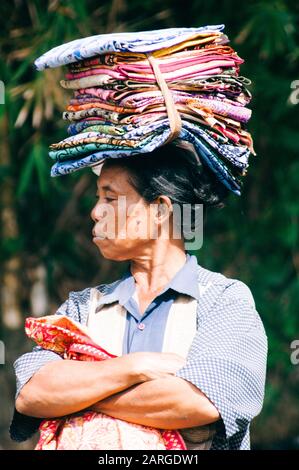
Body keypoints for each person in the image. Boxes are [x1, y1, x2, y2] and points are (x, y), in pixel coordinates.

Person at [10, 143, 268, 450]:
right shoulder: (81, 307)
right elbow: (33, 393)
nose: (95, 212)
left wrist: (78, 398)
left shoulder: (223, 301)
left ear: (160, 209)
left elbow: (197, 401)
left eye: (110, 198)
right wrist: (135, 366)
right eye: (97, 198)